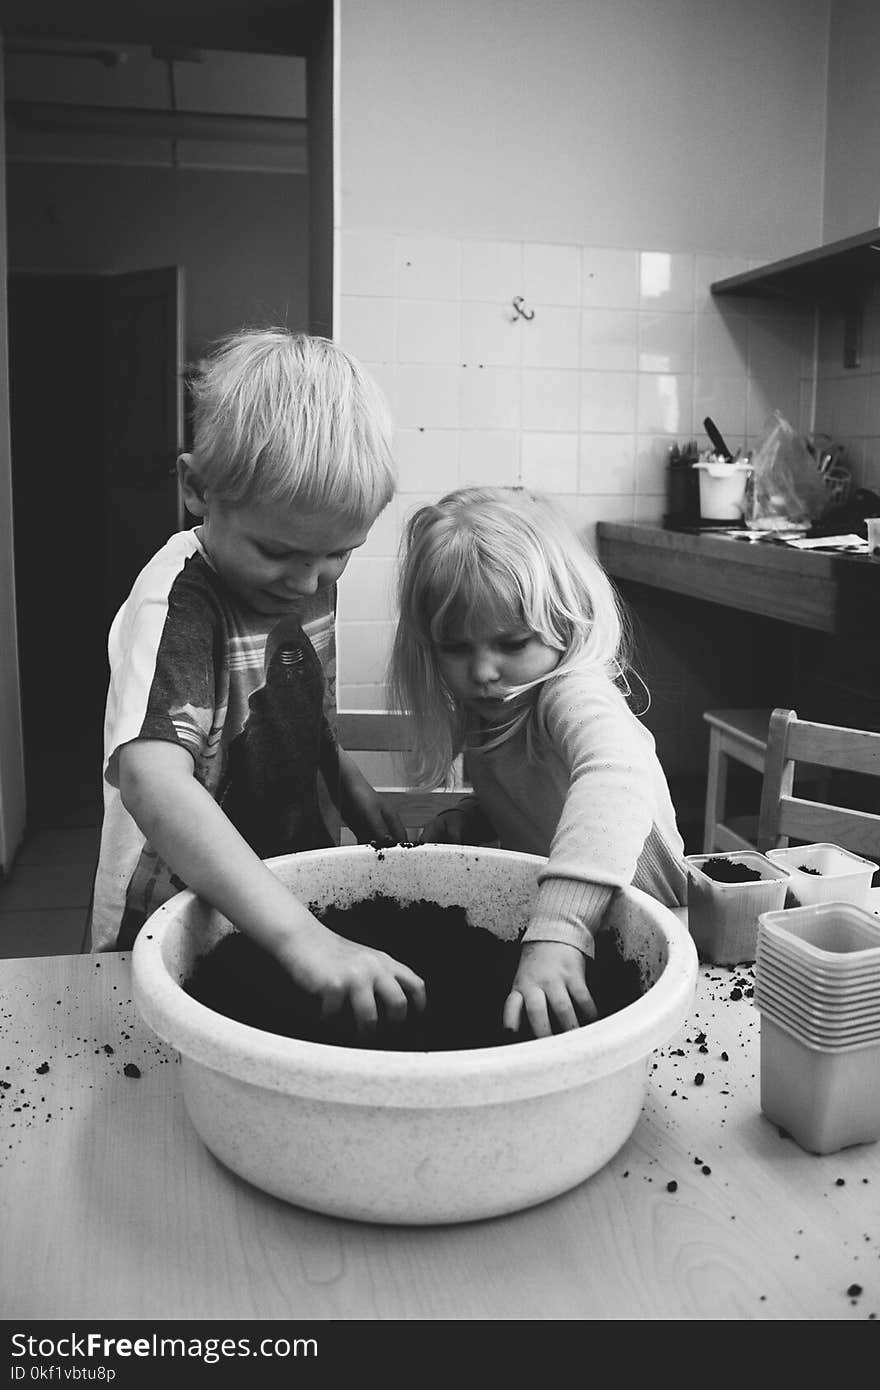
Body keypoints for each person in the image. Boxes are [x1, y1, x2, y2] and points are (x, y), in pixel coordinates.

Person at [88, 328, 425, 1034]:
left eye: (340, 553)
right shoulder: (178, 603)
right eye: (278, 552)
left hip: (288, 881)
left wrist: (347, 781)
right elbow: (154, 781)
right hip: (176, 916)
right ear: (196, 490)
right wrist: (305, 939)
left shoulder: (304, 576)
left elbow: (299, 704)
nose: (307, 581)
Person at [389, 484, 687, 1040]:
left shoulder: (570, 691)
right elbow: (541, 798)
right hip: (570, 948)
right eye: (456, 649)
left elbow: (615, 775)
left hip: (647, 933)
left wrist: (559, 930)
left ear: (565, 621)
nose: (482, 671)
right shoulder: (493, 705)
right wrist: (483, 818)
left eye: (513, 641)